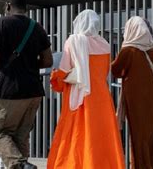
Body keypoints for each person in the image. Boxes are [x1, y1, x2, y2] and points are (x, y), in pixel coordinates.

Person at [47, 9, 125, 169]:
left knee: (77, 134)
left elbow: (63, 70)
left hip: (79, 96)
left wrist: (55, 80)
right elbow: (104, 72)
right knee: (100, 136)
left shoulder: (73, 41)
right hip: (102, 97)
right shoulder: (105, 44)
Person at [0, 0, 53, 169]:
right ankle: (22, 164)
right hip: (33, 91)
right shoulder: (37, 27)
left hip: (9, 90)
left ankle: (19, 164)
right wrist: (29, 65)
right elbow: (48, 60)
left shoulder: (3, 24)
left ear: (8, 5)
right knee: (21, 136)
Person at [111, 16, 153, 169]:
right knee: (151, 134)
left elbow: (115, 70)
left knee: (138, 135)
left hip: (135, 100)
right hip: (152, 98)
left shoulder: (128, 50)